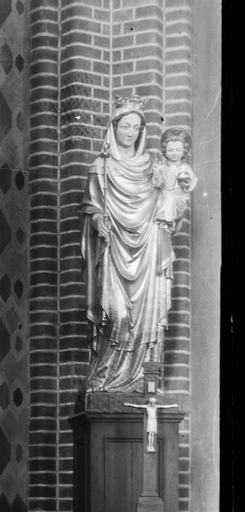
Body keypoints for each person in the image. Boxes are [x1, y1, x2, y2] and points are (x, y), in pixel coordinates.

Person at [80, 95, 170, 393]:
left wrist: (166, 187)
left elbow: (169, 210)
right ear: (114, 128)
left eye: (136, 127)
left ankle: (144, 380)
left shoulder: (152, 168)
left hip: (148, 250)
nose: (130, 133)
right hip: (114, 249)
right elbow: (91, 207)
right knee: (116, 315)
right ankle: (105, 378)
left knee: (146, 322)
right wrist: (97, 220)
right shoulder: (100, 168)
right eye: (125, 126)